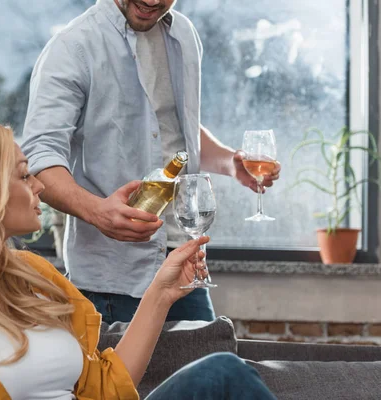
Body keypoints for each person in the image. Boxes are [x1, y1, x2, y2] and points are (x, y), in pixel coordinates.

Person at [0, 119, 277, 400]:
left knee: (223, 374)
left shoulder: (35, 276)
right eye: (23, 174)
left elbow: (107, 387)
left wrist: (162, 293)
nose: (39, 185)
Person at [21, 0, 281, 324]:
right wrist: (96, 211)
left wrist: (230, 162)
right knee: (126, 377)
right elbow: (40, 155)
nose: (152, 1)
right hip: (114, 280)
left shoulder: (183, 34)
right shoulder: (73, 46)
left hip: (185, 263)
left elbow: (173, 125)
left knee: (213, 367)